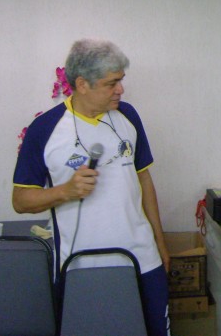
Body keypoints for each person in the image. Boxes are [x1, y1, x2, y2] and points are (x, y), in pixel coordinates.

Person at [13, 38, 171, 336]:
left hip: (143, 259)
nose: (121, 90)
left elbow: (144, 180)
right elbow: (20, 200)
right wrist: (65, 191)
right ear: (82, 84)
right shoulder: (45, 129)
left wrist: (160, 244)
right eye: (112, 83)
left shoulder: (128, 116)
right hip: (81, 266)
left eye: (121, 81)